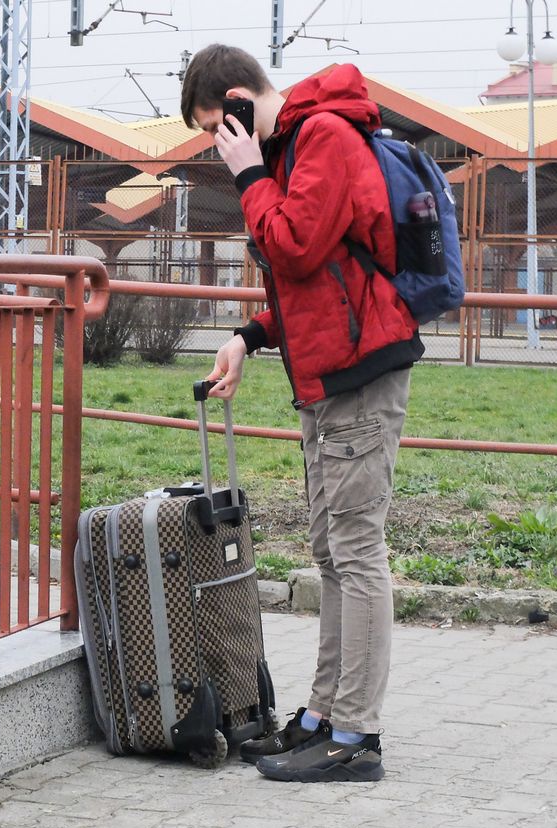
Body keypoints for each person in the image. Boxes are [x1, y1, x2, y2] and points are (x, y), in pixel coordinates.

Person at [182, 48, 424, 782]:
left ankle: (356, 733)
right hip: (326, 376)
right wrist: (248, 336)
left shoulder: (322, 136)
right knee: (330, 551)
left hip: (360, 374)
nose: (215, 143)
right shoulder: (297, 143)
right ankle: (323, 715)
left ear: (234, 100)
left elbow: (290, 245)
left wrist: (250, 173)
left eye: (212, 128)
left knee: (357, 554)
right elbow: (316, 280)